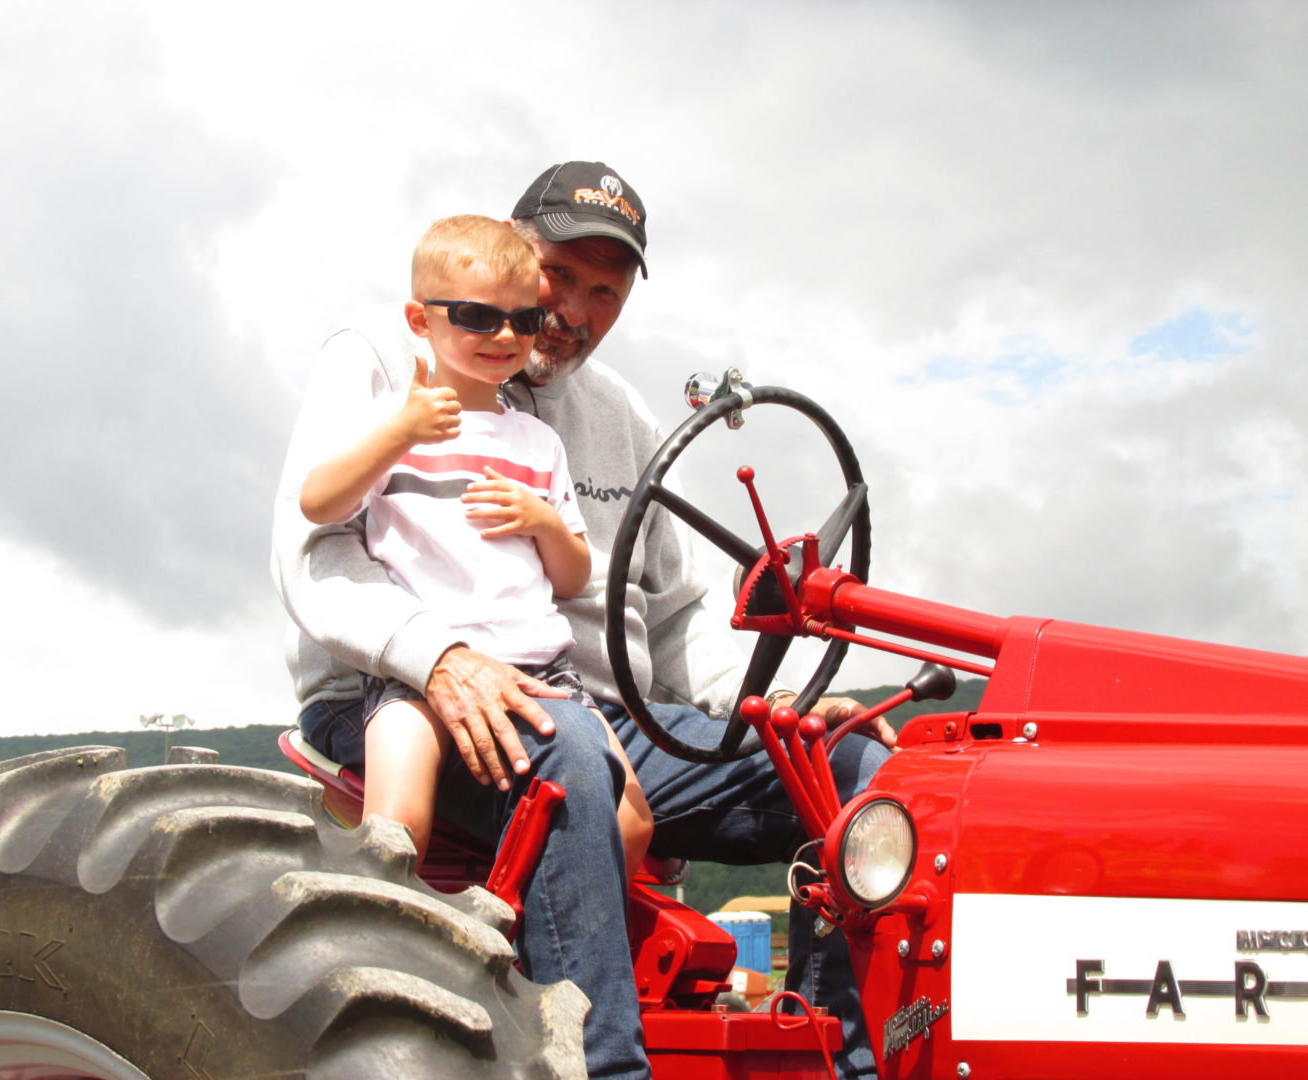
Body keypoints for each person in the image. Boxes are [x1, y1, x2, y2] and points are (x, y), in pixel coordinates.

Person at [272, 162, 892, 1080]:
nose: (571, 309)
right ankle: (606, 1068)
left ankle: (848, 1057)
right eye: (559, 274)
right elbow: (314, 552)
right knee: (566, 746)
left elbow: (675, 611)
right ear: (514, 249)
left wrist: (779, 708)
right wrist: (437, 657)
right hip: (402, 697)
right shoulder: (382, 357)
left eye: (606, 292)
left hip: (596, 709)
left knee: (855, 774)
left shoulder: (617, 417)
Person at [296, 214, 653, 873]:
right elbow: (318, 504)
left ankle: (528, 933)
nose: (505, 336)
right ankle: (385, 942)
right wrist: (401, 432)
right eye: (476, 317)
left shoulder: (537, 445)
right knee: (397, 820)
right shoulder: (390, 415)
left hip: (543, 670)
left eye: (522, 320)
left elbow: (573, 578)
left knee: (631, 823)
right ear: (419, 318)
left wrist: (544, 523)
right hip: (425, 670)